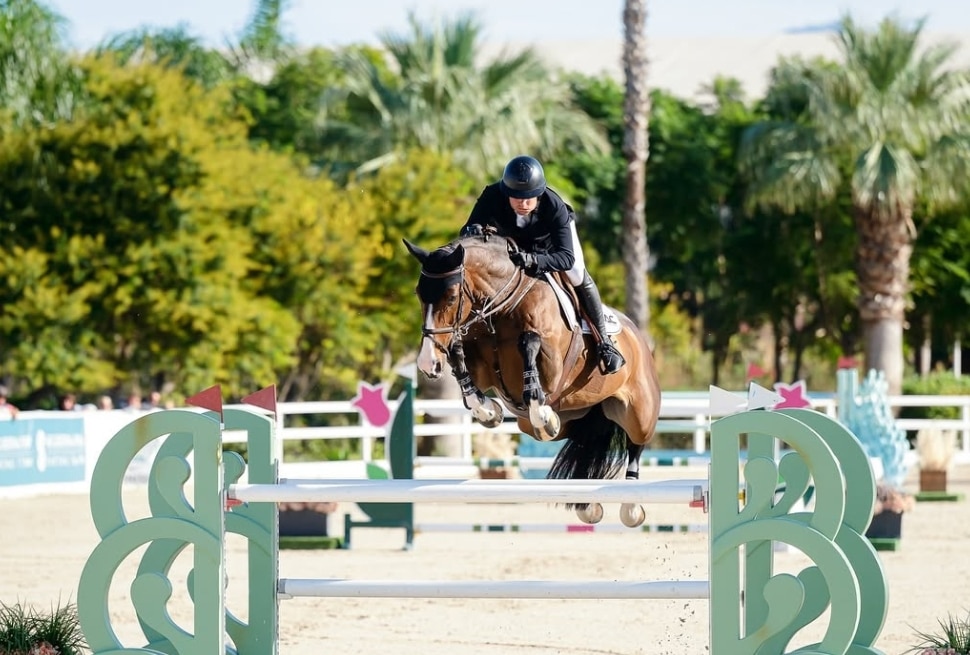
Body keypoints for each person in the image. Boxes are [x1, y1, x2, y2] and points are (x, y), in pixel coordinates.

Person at [459, 155, 625, 374]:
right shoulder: (492, 195)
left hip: (550, 247)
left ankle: (604, 343)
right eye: (516, 197)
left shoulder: (555, 207)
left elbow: (566, 258)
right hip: (513, 246)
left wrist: (534, 260)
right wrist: (473, 231)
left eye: (529, 198)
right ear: (506, 192)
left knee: (575, 273)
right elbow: (467, 231)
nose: (523, 203)